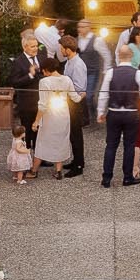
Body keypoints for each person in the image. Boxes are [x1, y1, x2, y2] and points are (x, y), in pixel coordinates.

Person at [100, 47, 140, 187]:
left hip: (114, 112)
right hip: (131, 112)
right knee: (129, 146)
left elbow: (103, 94)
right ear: (131, 56)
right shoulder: (138, 73)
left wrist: (100, 112)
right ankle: (127, 177)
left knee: (111, 146)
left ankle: (106, 178)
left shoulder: (110, 73)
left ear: (118, 56)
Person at [59, 35, 91, 177]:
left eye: (62, 48)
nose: (60, 51)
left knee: (76, 134)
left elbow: (79, 87)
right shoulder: (69, 61)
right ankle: (76, 160)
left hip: (75, 102)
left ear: (68, 49)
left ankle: (78, 165)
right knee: (71, 133)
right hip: (69, 100)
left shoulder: (78, 64)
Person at [7, 31, 43, 140]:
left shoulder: (41, 57)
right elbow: (14, 82)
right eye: (33, 46)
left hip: (41, 102)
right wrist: (30, 75)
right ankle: (25, 154)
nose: (36, 48)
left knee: (40, 132)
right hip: (26, 104)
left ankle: (38, 155)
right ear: (25, 47)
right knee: (27, 133)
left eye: (36, 46)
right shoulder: (18, 62)